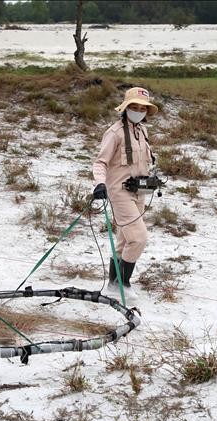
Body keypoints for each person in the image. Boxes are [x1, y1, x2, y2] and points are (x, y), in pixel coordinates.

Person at [92, 87, 159, 302]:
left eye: (143, 108)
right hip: (119, 192)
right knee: (138, 238)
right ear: (125, 108)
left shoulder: (143, 131)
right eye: (134, 107)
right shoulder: (115, 132)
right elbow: (100, 162)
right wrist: (100, 184)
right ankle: (124, 283)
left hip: (140, 190)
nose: (138, 111)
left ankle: (113, 284)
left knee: (123, 239)